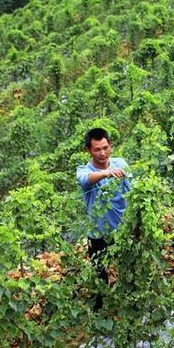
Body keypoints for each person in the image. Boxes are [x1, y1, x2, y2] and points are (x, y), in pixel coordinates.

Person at [76, 127, 130, 307]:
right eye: (97, 149)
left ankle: (128, 303)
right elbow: (86, 180)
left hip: (122, 229)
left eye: (105, 148)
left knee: (129, 269)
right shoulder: (84, 171)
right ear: (89, 151)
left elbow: (131, 191)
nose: (102, 153)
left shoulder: (121, 164)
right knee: (100, 274)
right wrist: (106, 174)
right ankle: (100, 309)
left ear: (110, 146)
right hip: (98, 233)